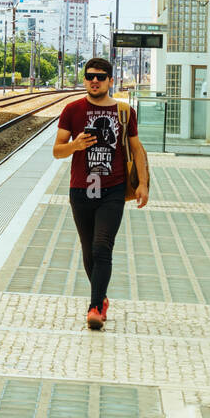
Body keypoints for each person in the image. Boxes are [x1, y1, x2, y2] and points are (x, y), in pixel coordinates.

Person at [53, 57, 149, 331]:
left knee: (102, 246)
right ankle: (101, 298)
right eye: (90, 76)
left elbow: (137, 149)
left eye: (100, 76)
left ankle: (94, 307)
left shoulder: (124, 111)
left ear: (110, 80)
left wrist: (143, 184)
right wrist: (75, 145)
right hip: (81, 189)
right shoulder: (72, 110)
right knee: (88, 251)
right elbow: (57, 150)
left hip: (113, 190)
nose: (94, 80)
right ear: (85, 79)